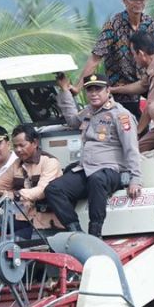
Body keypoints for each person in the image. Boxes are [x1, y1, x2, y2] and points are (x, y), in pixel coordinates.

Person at [43, 73, 142, 237]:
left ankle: (95, 232)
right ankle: (76, 232)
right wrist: (65, 90)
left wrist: (135, 180)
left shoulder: (121, 115)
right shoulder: (89, 111)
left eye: (98, 89)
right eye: (90, 90)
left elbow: (131, 148)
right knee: (54, 189)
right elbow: (73, 121)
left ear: (108, 90)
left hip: (112, 171)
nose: (94, 93)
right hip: (87, 169)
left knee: (97, 179)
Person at [75, 0, 154, 110]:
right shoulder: (113, 25)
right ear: (125, 0)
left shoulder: (152, 25)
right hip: (119, 89)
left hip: (147, 84)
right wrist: (78, 87)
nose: (138, 2)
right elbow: (95, 58)